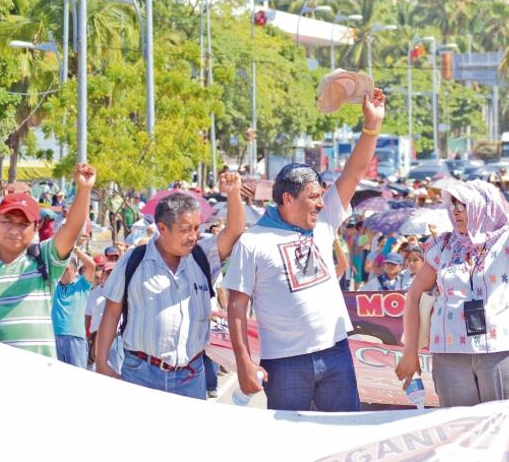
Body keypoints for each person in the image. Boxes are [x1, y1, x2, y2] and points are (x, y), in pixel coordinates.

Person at [225, 89, 387, 412]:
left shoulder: (325, 220)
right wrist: (243, 362)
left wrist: (372, 125)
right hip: (284, 365)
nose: (321, 202)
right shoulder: (253, 241)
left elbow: (354, 172)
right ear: (287, 199)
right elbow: (236, 307)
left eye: (321, 195)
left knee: (344, 439)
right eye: (313, 196)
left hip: (335, 352)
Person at [396, 151, 509, 407]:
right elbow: (414, 296)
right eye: (452, 204)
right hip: (450, 354)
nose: (455, 211)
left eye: (462, 204)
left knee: (503, 431)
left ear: (482, 205)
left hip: (499, 351)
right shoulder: (443, 245)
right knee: (461, 435)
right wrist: (410, 352)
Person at [94, 172, 244, 399]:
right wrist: (102, 362)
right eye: (185, 230)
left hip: (190, 378)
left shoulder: (203, 256)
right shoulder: (134, 260)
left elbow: (233, 232)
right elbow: (111, 312)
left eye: (196, 228)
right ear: (162, 229)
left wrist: (233, 194)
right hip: (139, 375)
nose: (193, 236)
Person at [0, 164, 97, 357]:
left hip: (36, 379)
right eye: (7, 221)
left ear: (35, 228)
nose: (14, 230)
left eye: (23, 224)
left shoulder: (43, 259)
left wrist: (84, 190)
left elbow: (72, 228)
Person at [52, 242, 97, 368]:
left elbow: (91, 265)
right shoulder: (54, 285)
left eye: (65, 270)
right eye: (60, 270)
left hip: (75, 338)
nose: (62, 273)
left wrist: (75, 249)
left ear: (75, 270)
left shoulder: (81, 285)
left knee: (78, 379)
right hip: (54, 336)